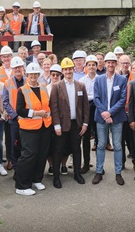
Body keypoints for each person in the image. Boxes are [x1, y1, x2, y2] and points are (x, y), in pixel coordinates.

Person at [49, 57, 89, 188]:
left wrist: (85, 123)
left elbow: (85, 106)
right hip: (61, 124)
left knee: (76, 149)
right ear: (62, 71)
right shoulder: (56, 87)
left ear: (73, 69)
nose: (68, 72)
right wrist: (56, 125)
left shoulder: (80, 86)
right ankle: (56, 176)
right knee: (58, 150)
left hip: (76, 124)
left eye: (70, 69)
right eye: (65, 69)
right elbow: (54, 107)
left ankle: (77, 173)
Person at [14, 63, 52, 196]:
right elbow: (19, 110)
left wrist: (47, 114)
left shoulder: (43, 87)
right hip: (28, 128)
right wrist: (36, 114)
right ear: (27, 75)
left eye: (36, 74)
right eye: (31, 74)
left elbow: (48, 105)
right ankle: (22, 185)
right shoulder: (22, 90)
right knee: (29, 156)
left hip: (44, 126)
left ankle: (36, 179)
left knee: (42, 155)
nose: (33, 76)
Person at [92, 52, 128, 186]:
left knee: (118, 146)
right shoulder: (99, 79)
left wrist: (110, 113)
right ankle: (99, 171)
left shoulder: (122, 80)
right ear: (105, 64)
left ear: (116, 63)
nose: (111, 64)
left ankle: (118, 173)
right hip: (101, 117)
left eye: (113, 62)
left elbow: (123, 99)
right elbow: (96, 98)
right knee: (101, 144)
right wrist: (104, 113)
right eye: (108, 62)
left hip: (116, 117)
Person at [2, 56, 27, 170]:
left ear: (23, 67)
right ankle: (15, 164)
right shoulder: (7, 83)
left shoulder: (28, 81)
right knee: (14, 143)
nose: (17, 70)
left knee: (25, 143)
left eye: (19, 67)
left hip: (27, 118)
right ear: (12, 69)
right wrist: (15, 115)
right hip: (14, 119)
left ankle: (24, 165)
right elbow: (5, 102)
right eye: (15, 68)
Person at [79, 54, 98, 173]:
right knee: (85, 138)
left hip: (97, 108)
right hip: (86, 108)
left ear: (97, 66)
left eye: (93, 65)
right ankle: (86, 163)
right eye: (89, 65)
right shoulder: (81, 81)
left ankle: (99, 165)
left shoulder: (101, 78)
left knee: (99, 138)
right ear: (86, 67)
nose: (91, 67)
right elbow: (81, 96)